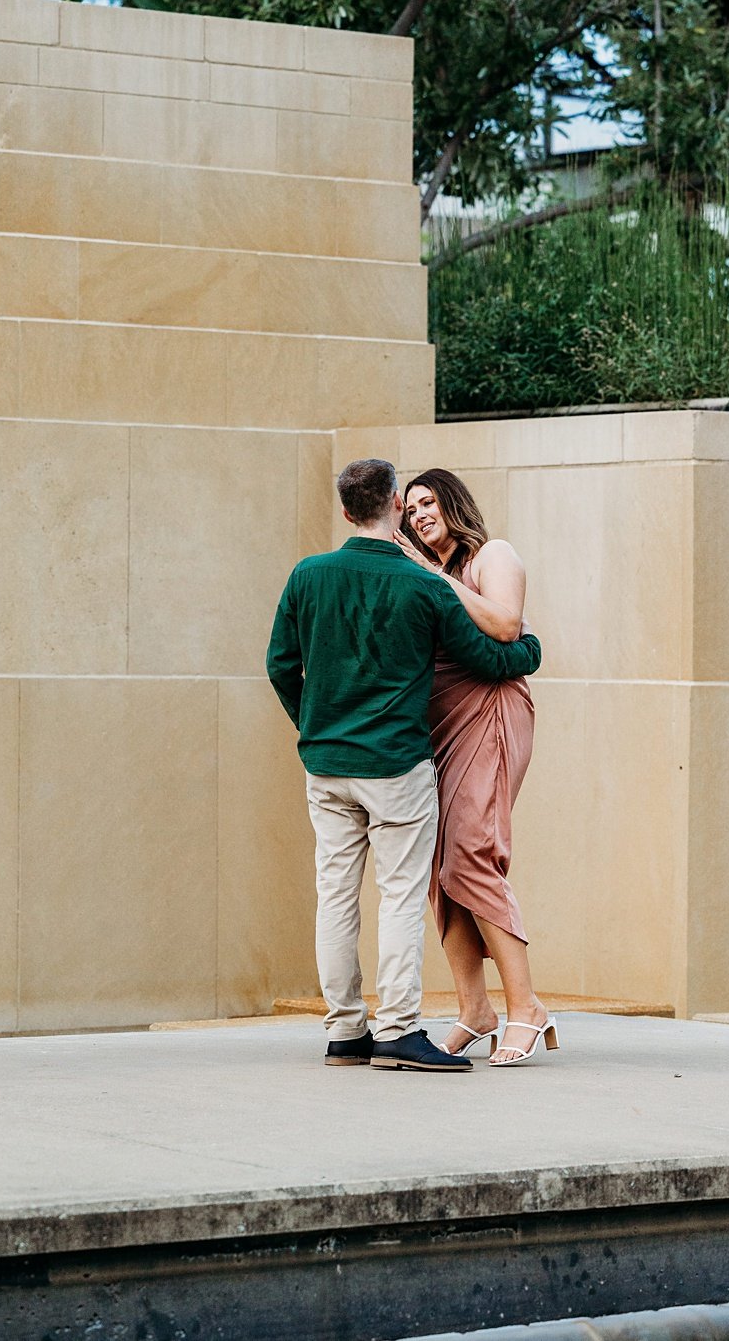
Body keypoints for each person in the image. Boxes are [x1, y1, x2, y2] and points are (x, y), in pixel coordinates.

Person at [267, 458, 542, 1074]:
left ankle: (345, 1033)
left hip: (326, 766)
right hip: (396, 765)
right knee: (398, 896)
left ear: (345, 511)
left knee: (334, 897)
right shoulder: (419, 583)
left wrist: (313, 726)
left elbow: (280, 666)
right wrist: (531, 649)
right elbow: (488, 656)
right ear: (394, 503)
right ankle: (396, 1030)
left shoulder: (307, 575)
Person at [394, 468, 555, 1067]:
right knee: (439, 866)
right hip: (437, 720)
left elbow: (506, 626)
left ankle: (526, 1007)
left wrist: (431, 575)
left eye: (428, 502)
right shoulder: (419, 570)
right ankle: (475, 1011)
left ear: (452, 503)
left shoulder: (492, 556)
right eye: (410, 510)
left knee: (472, 850)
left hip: (489, 710)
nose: (418, 515)